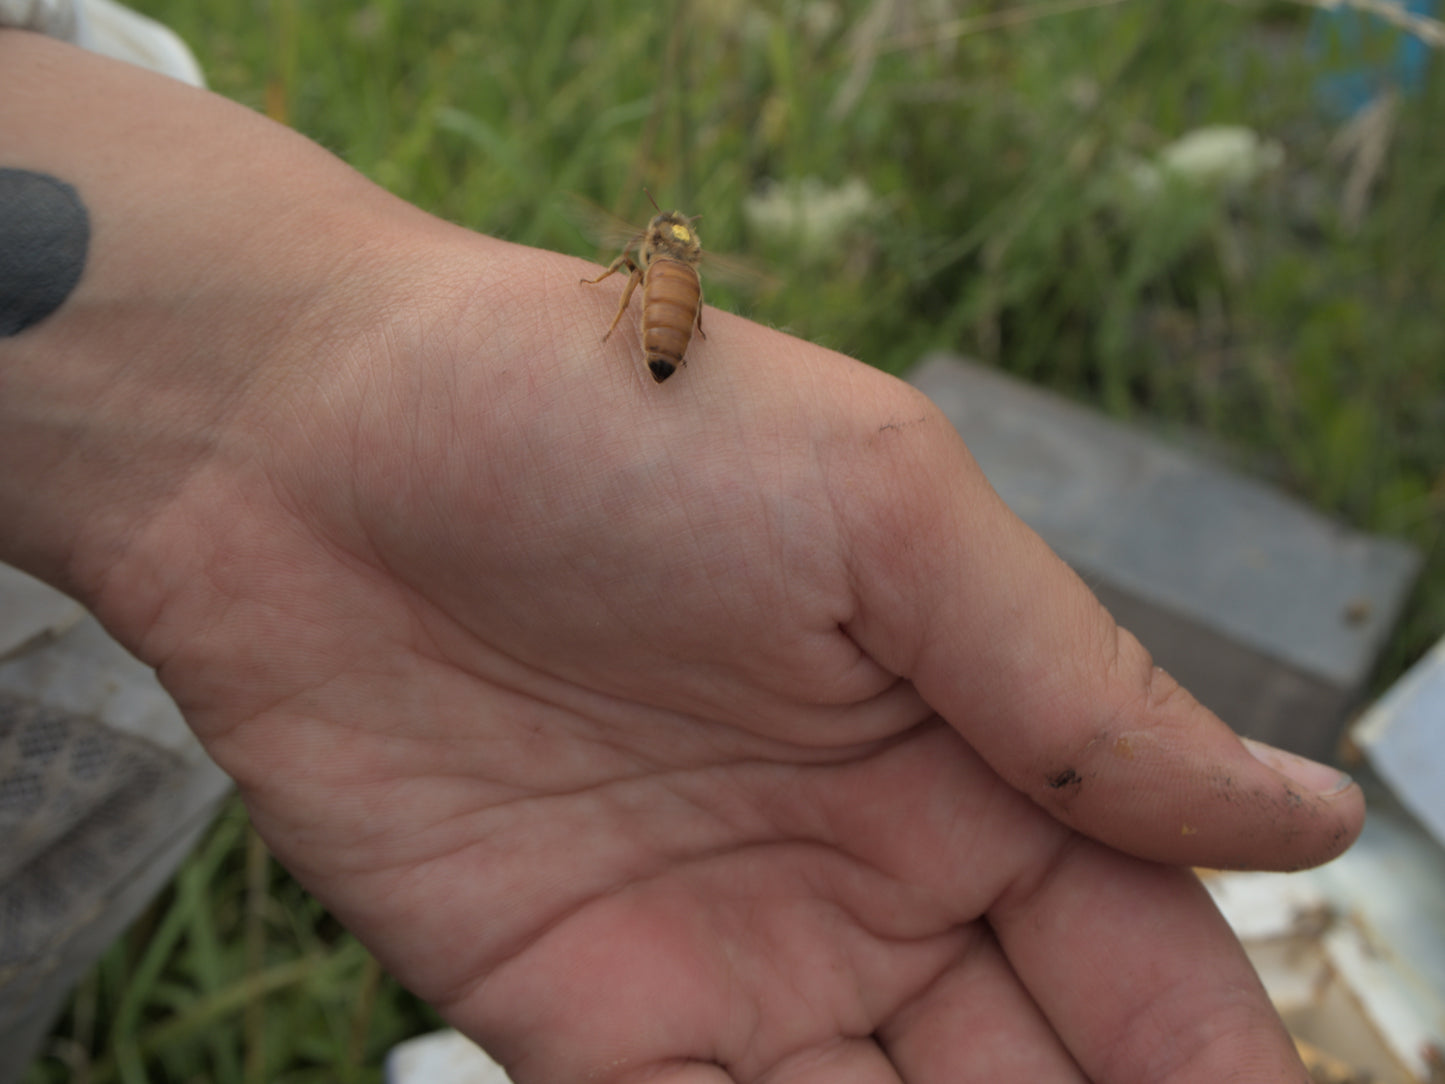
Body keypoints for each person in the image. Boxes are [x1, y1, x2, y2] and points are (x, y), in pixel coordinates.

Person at [0, 29, 1363, 1084]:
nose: (660, 258)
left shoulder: (645, 284)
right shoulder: (662, 287)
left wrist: (284, 379)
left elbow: (642, 312)